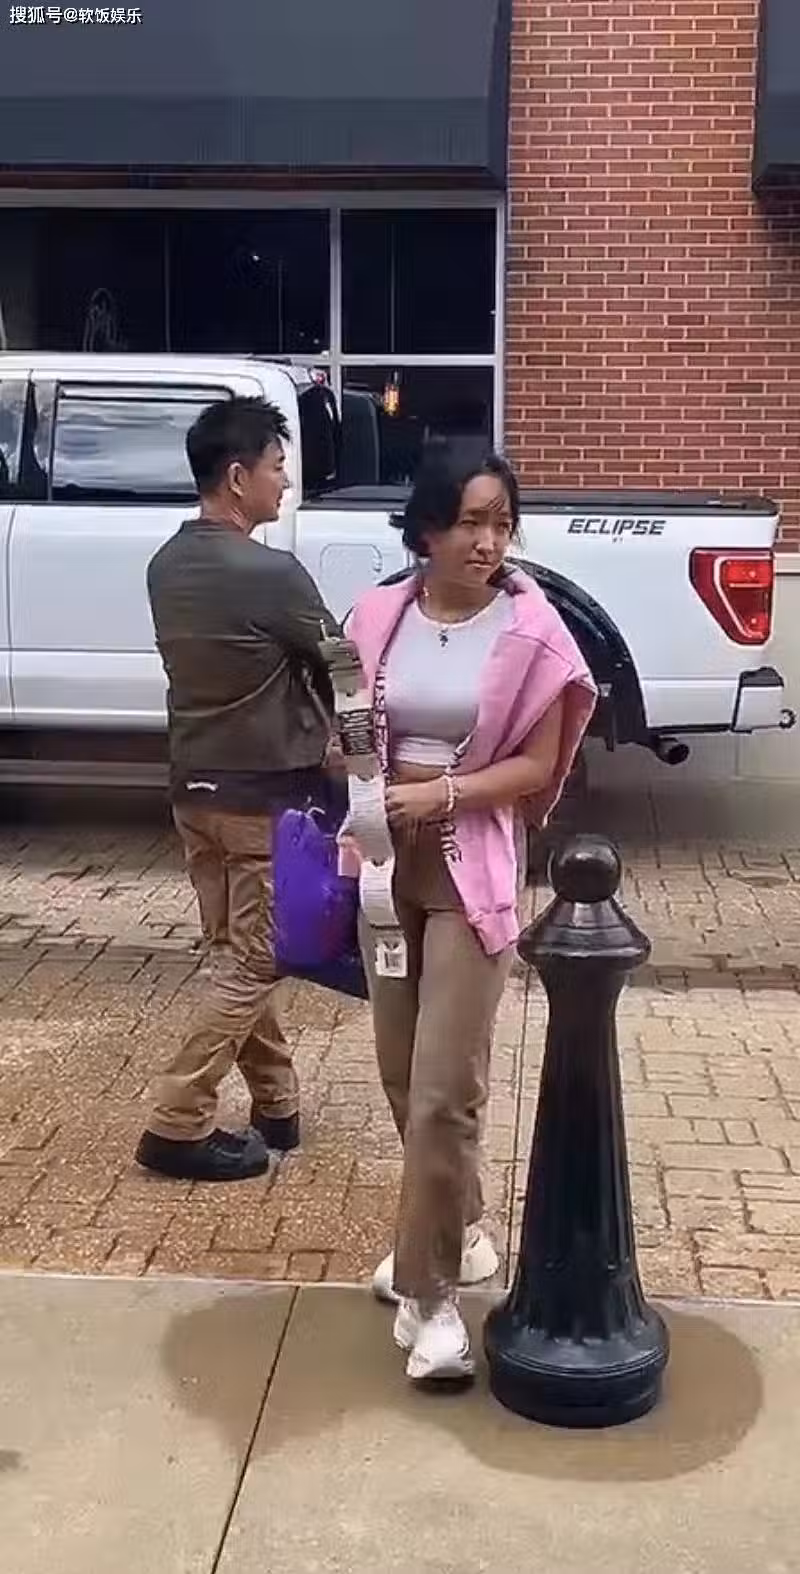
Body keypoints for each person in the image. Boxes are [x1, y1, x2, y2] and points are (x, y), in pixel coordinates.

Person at [344, 446, 597, 1384]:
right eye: (470, 522)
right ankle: (462, 1226)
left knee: (446, 1086)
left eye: (501, 523)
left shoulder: (533, 633)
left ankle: (434, 1297)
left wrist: (438, 793)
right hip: (381, 862)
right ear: (427, 529)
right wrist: (359, 781)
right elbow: (347, 726)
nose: (489, 542)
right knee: (400, 1073)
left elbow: (537, 766)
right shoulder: (377, 616)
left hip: (469, 865)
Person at [135, 396, 339, 1184]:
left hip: (195, 792)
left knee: (233, 954)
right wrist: (358, 759)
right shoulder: (270, 572)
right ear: (236, 476)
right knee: (256, 962)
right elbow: (342, 661)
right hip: (260, 801)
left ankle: (277, 1105)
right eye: (277, 467)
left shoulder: (166, 565)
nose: (284, 483)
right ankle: (177, 1120)